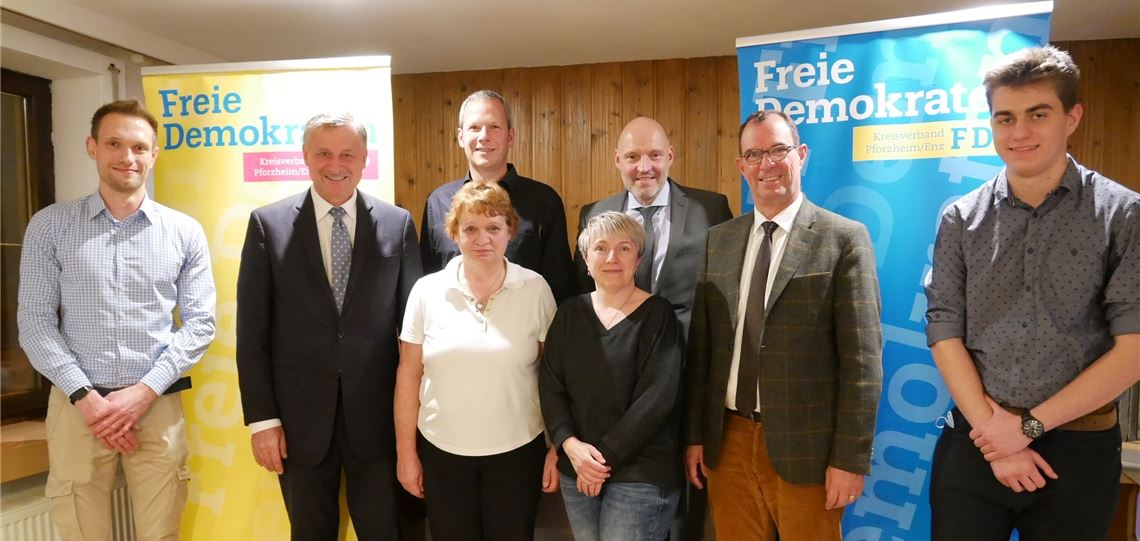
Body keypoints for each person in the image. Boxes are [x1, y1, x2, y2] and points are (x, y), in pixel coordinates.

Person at [925, 45, 1139, 540]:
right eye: (1005, 118)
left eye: (1037, 114)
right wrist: (998, 436)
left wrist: (1026, 430)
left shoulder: (1124, 215)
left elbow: (1133, 350)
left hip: (1079, 451)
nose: (1019, 132)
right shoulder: (960, 218)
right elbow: (943, 330)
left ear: (1072, 117)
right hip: (975, 445)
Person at [17, 99, 216, 540]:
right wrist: (89, 399)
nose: (127, 156)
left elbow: (201, 323)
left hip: (157, 405)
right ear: (92, 147)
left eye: (139, 147)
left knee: (161, 533)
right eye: (114, 143)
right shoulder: (50, 226)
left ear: (154, 154)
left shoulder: (184, 232)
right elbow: (34, 322)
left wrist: (141, 395)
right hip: (75, 409)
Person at [684, 110, 883, 540]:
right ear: (741, 166)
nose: (766, 164)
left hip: (808, 447)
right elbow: (703, 352)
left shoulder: (843, 238)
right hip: (728, 440)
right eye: (753, 154)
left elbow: (862, 365)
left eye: (778, 150)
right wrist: (697, 435)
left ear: (801, 155)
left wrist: (849, 460)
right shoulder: (718, 241)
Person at [235, 112, 422, 540]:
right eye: (323, 153)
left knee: (385, 532)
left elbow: (413, 331)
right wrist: (263, 421)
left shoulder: (398, 224)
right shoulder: (268, 225)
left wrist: (413, 425)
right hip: (299, 424)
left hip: (379, 423)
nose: (335, 164)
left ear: (363, 160)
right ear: (305, 156)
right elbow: (252, 332)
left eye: (347, 154)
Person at [395, 181, 559, 540]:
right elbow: (408, 376)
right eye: (470, 228)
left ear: (510, 231)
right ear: (454, 232)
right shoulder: (427, 292)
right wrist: (406, 454)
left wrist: (555, 447)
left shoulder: (536, 289)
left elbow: (553, 376)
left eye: (493, 228)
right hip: (443, 452)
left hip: (518, 451)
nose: (482, 238)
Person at [541, 211, 685, 541]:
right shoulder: (568, 314)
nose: (611, 258)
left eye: (624, 248)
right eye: (600, 248)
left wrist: (600, 460)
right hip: (576, 466)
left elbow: (657, 399)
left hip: (641, 470)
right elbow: (550, 385)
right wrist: (569, 445)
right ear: (585, 258)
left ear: (639, 258)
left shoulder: (658, 315)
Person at [575, 116, 733, 335]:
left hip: (688, 357)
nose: (644, 167)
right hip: (616, 355)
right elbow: (585, 292)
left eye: (654, 155)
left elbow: (727, 293)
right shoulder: (593, 215)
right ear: (617, 159)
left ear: (669, 155)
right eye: (633, 157)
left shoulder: (711, 210)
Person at [420, 90, 577, 303]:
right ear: (460, 137)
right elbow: (429, 286)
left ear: (510, 136)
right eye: (474, 127)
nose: (484, 136)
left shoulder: (544, 201)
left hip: (526, 334)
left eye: (494, 127)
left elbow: (560, 289)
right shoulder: (438, 203)